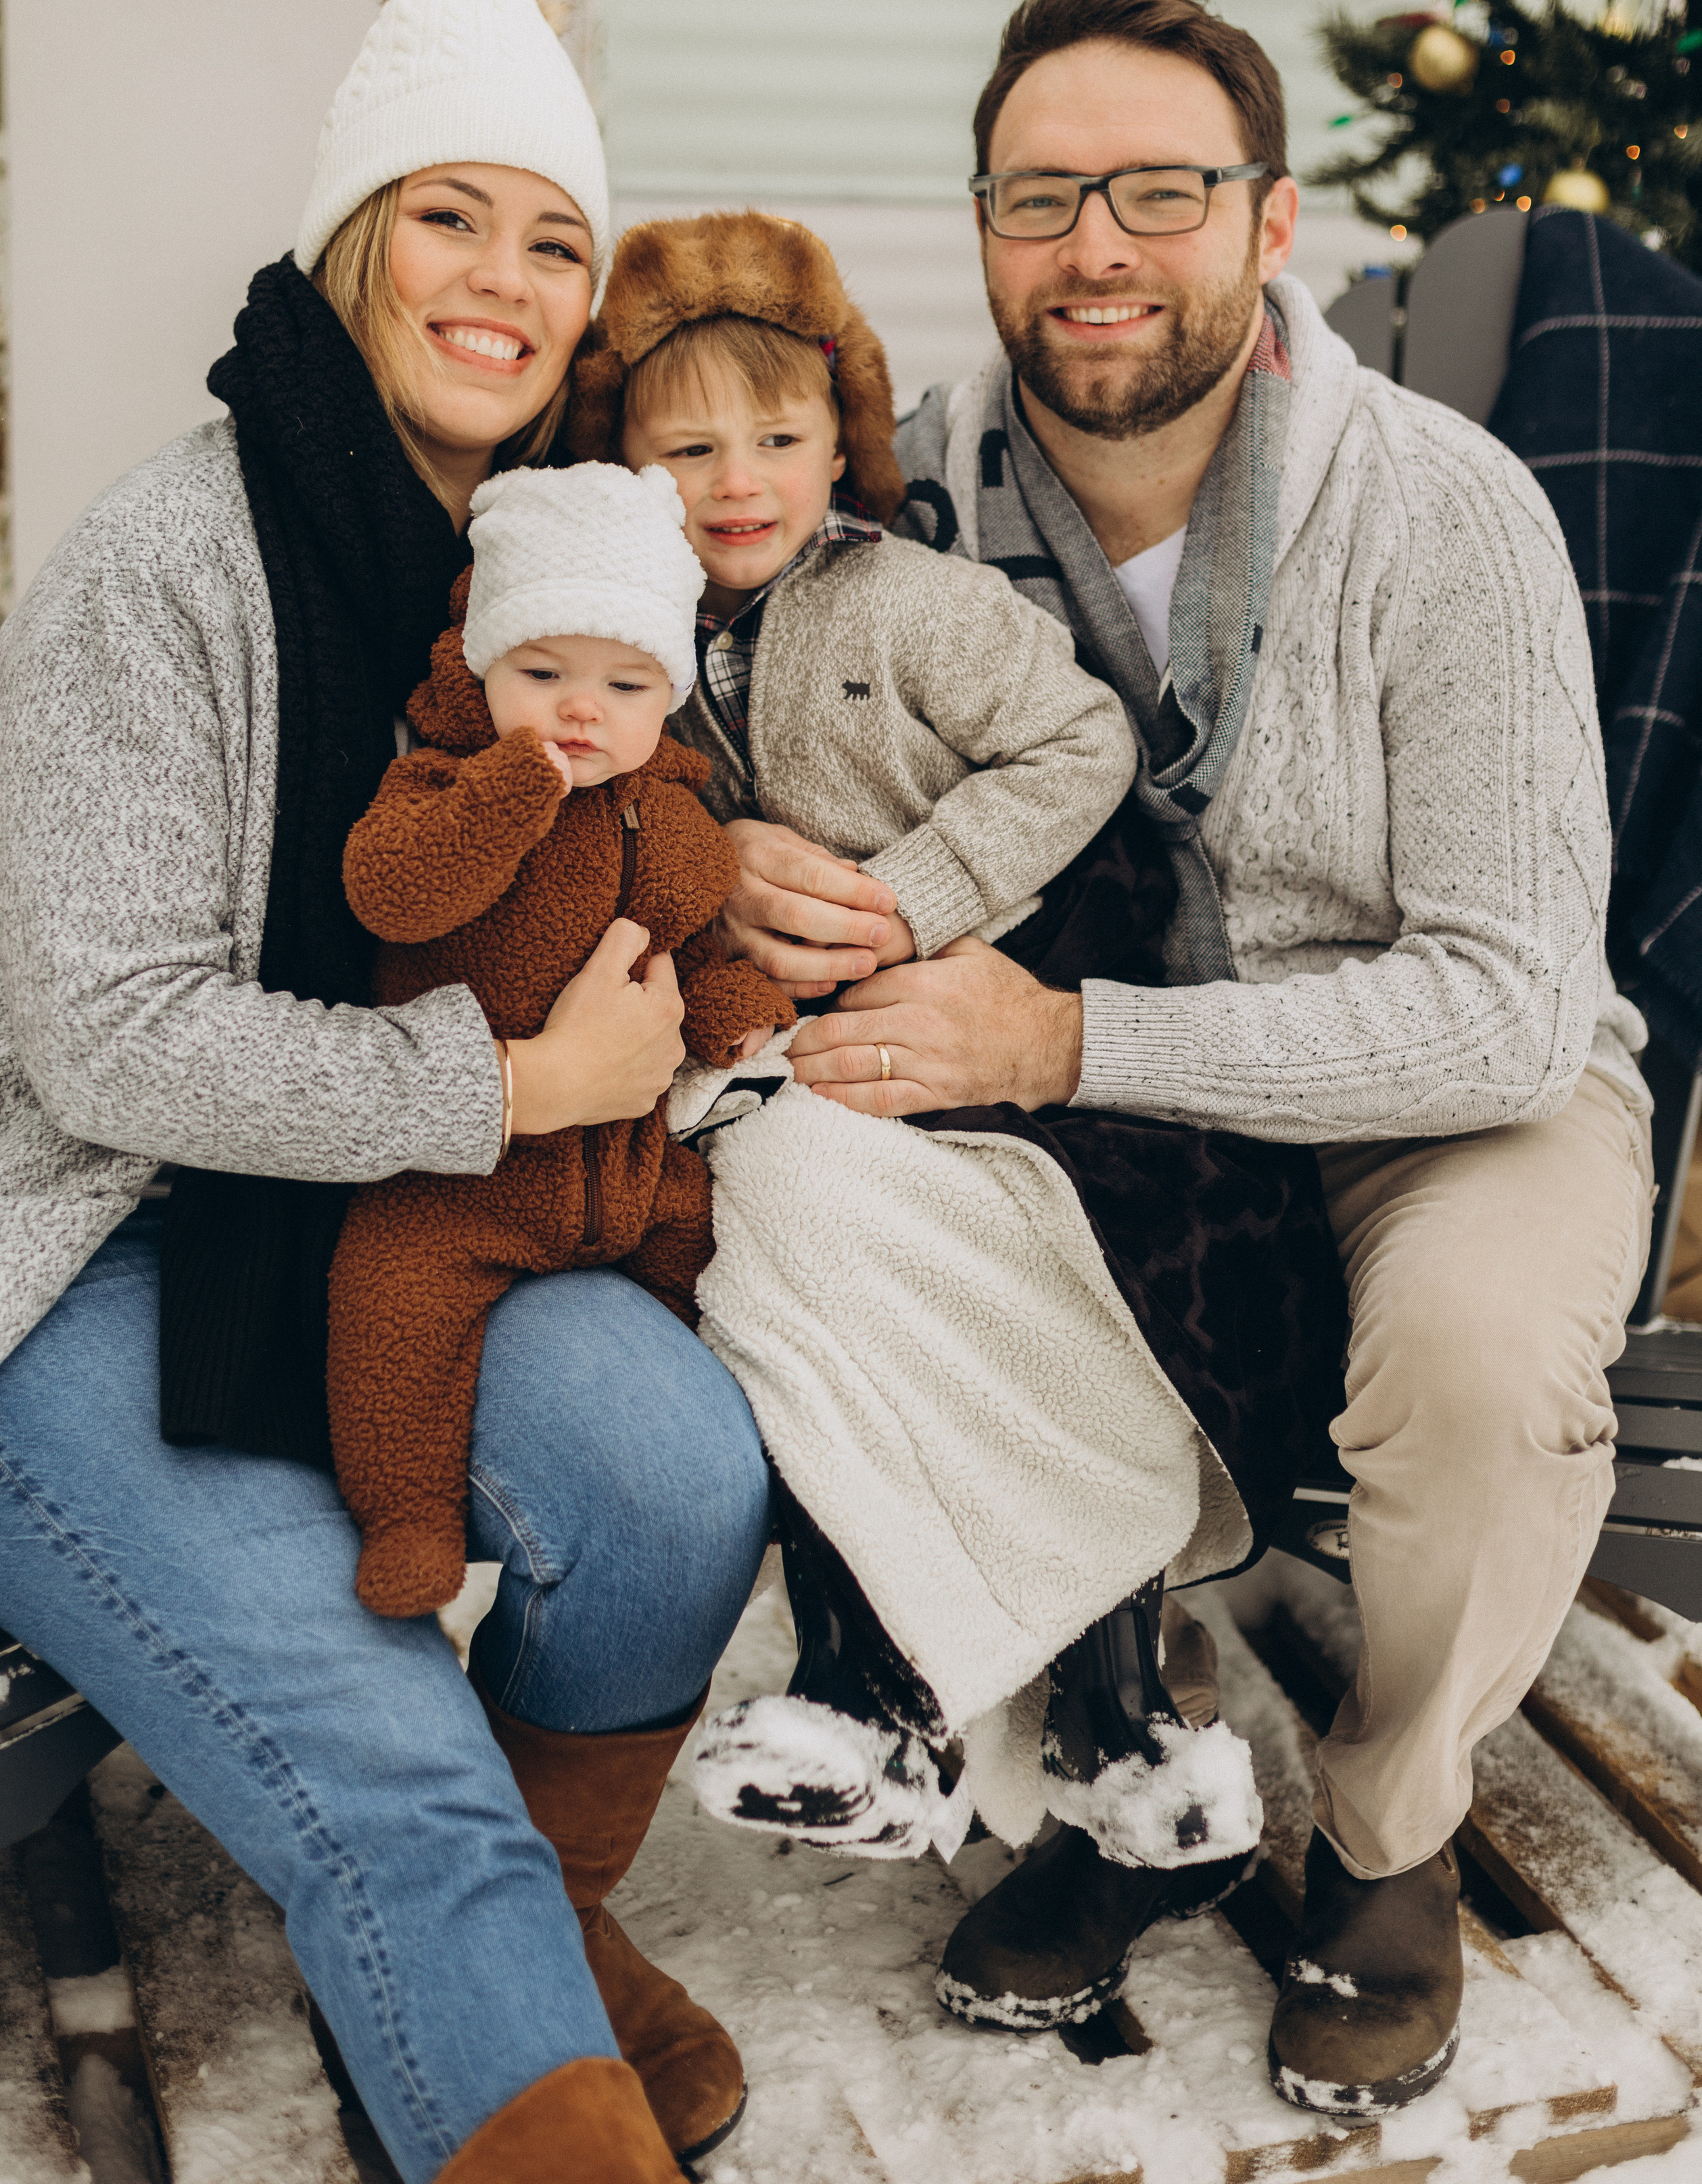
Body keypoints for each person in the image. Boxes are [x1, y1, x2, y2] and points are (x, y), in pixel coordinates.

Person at [711, 0, 1654, 2119]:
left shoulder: (1443, 506)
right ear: (980, 229)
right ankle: (1122, 1761)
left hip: (1443, 1082)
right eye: (1045, 199)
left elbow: (1509, 999)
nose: (1100, 250)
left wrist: (1074, 1040)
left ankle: (1395, 1830)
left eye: (1161, 191)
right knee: (871, 1227)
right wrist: (743, 865)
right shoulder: (899, 498)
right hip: (1048, 1058)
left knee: (1485, 1365)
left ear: (1271, 219)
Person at [0, 0, 761, 2183]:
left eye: (551, 237)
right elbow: (106, 1042)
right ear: (347, 242)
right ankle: (469, 1940)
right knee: (382, 1740)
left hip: (375, 1215)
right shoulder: (159, 565)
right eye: (447, 215)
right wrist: (512, 1096)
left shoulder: (517, 565)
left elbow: (650, 773)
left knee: (678, 1482)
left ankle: (516, 1930)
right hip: (77, 1251)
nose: (501, 282)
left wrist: (752, 895)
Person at [565, 205, 1335, 1938]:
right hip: (755, 1061)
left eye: (779, 433)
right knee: (782, 1263)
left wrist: (913, 899)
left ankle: (1051, 1697)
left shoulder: (907, 601)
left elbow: (1080, 737)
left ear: (846, 433)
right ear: (618, 462)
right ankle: (902, 1696)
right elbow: (590, 806)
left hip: (988, 1016)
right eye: (683, 445)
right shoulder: (626, 641)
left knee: (914, 1250)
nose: (737, 477)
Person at [328, 459, 794, 1621]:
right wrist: (507, 794)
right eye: (543, 674)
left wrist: (726, 1004)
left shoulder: (675, 822)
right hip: (459, 1183)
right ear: (484, 662)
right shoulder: (440, 784)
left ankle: (773, 1490)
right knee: (391, 1309)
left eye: (626, 683)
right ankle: (409, 1516)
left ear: (667, 694)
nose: (582, 711)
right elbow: (391, 896)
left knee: (722, 1252)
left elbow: (688, 947)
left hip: (628, 1180)